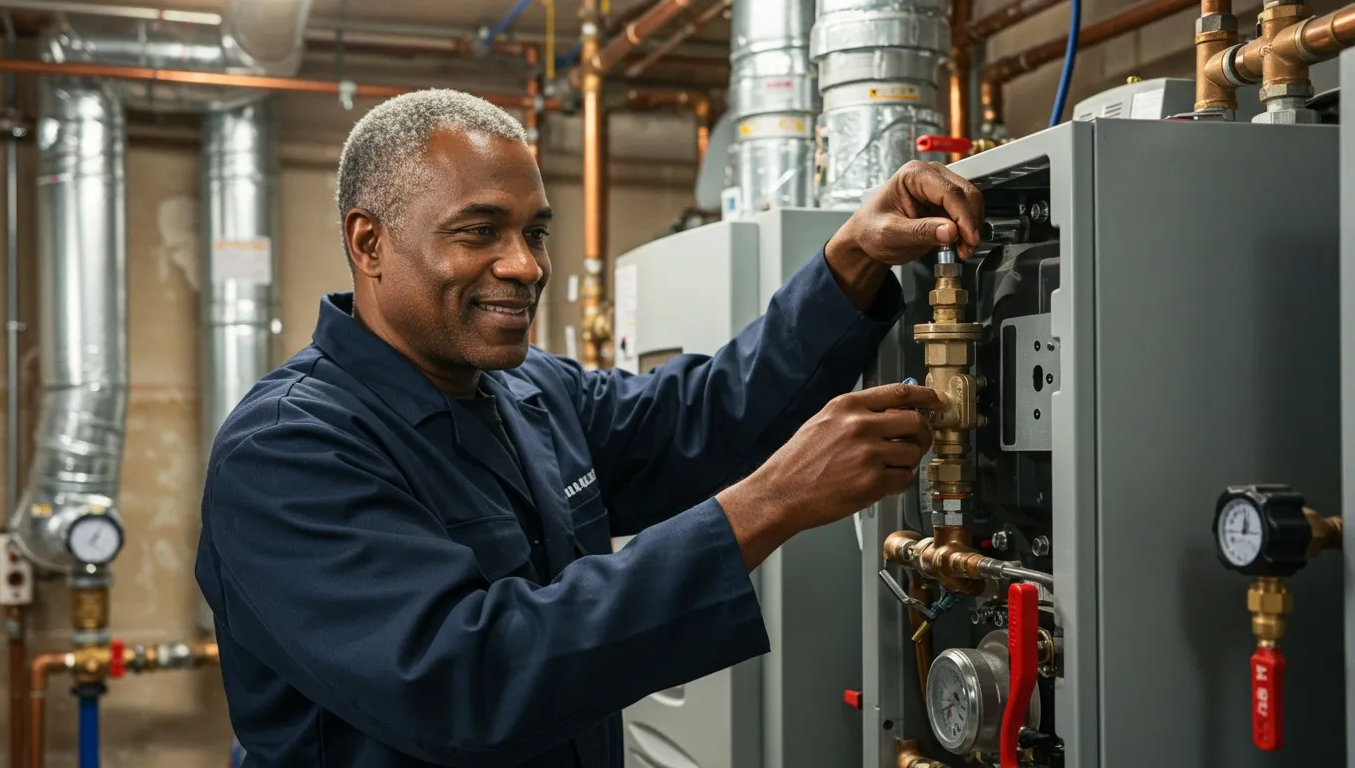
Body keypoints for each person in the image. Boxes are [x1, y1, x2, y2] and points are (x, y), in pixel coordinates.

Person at [195, 88, 983, 768]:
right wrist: (770, 503)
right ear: (369, 242)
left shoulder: (529, 390)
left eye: (534, 231)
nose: (526, 265)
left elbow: (704, 417)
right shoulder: (289, 449)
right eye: (479, 231)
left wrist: (850, 260)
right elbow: (464, 680)